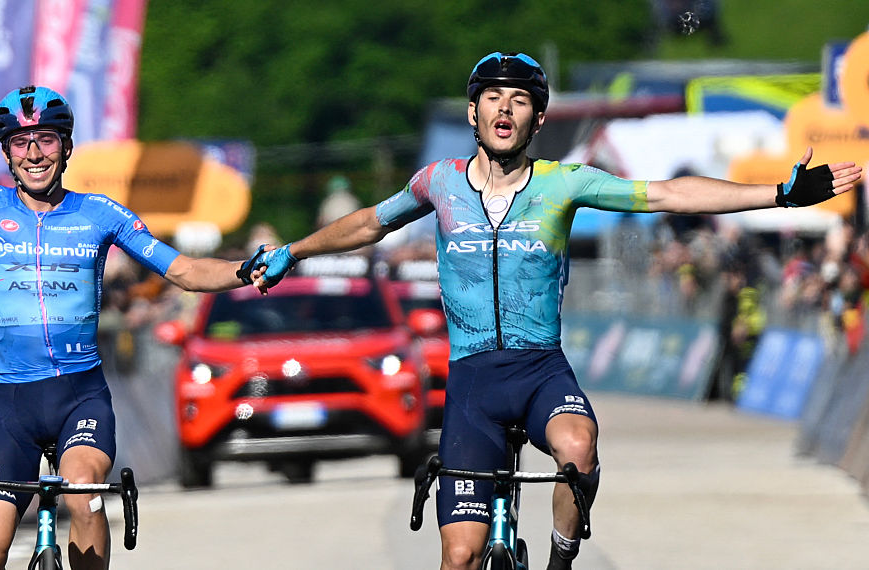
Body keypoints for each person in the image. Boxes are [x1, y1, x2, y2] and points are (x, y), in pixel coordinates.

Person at [251, 52, 863, 570]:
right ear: (473, 113)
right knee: (459, 557)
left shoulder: (563, 183)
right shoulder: (437, 183)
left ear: (537, 119)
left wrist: (781, 195)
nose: (504, 110)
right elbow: (367, 224)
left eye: (519, 100)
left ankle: (561, 558)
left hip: (540, 370)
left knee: (579, 447)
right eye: (493, 98)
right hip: (471, 381)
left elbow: (668, 194)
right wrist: (292, 251)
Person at [0, 62, 264, 570]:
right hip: (13, 406)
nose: (33, 154)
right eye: (20, 143)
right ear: (6, 153)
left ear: (66, 147)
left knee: (84, 494)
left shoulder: (100, 213)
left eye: (45, 140)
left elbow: (183, 269)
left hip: (79, 397)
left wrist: (245, 270)